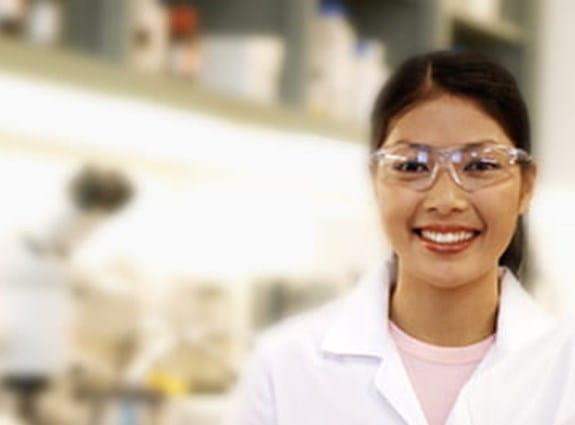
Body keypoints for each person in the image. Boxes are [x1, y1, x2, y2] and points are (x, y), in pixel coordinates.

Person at [226, 51, 575, 425]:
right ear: (374, 180)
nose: (446, 200)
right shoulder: (283, 369)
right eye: (411, 166)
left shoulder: (564, 371)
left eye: (480, 165)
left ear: (526, 186)